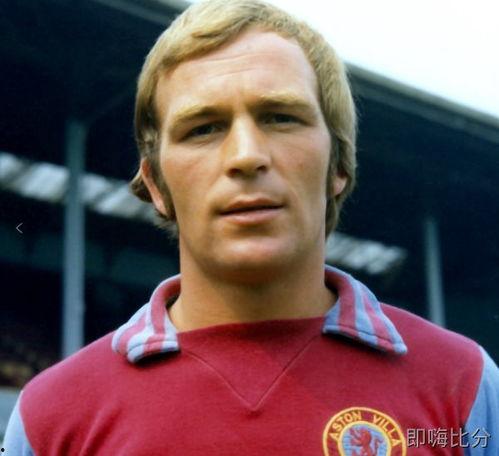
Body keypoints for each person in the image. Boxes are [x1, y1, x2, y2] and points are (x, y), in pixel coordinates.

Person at [4, 0, 498, 454]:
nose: (246, 155)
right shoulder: (50, 418)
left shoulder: (465, 386)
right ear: (155, 184)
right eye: (203, 128)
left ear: (338, 164)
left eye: (281, 118)